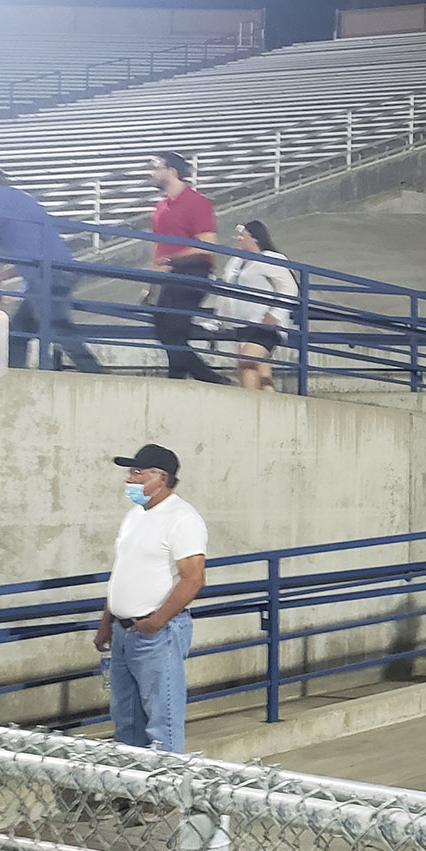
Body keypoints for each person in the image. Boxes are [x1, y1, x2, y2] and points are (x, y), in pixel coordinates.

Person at [96, 444, 206, 753]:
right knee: (126, 719)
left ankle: (165, 796)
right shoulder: (135, 516)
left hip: (155, 634)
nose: (129, 480)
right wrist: (108, 621)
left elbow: (194, 577)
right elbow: (123, 572)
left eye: (136, 473)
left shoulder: (181, 518)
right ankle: (131, 793)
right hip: (124, 631)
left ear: (161, 478)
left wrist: (155, 622)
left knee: (162, 721)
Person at [0, 167, 102, 372]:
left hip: (49, 273)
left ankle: (93, 372)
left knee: (57, 328)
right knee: (19, 331)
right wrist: (2, 275)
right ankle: (17, 376)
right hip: (54, 270)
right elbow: (33, 249)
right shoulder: (22, 200)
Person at [146, 152, 228, 384]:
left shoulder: (196, 202)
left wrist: (171, 260)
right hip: (171, 277)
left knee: (171, 331)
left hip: (193, 273)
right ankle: (192, 378)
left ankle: (191, 379)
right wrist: (150, 288)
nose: (151, 173)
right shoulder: (161, 208)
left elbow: (206, 245)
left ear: (171, 170)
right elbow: (159, 251)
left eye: (156, 167)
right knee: (165, 330)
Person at [215, 221, 297, 391]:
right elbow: (226, 291)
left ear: (254, 238)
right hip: (242, 324)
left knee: (247, 363)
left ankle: (251, 407)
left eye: (242, 236)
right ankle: (271, 409)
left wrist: (276, 313)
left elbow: (289, 287)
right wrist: (219, 319)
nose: (237, 239)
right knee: (260, 370)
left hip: (264, 324)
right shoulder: (235, 262)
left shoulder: (270, 259)